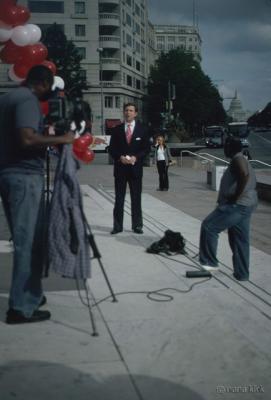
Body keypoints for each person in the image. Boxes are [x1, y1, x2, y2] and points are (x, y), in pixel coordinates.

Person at [0, 65, 74, 324]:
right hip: (24, 177)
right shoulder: (28, 100)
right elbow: (27, 139)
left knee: (29, 241)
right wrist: (61, 139)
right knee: (28, 244)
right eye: (49, 87)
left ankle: (31, 294)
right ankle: (19, 307)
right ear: (41, 83)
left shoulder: (8, 98)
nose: (48, 94)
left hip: (9, 175)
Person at [199, 137, 258, 281]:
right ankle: (242, 273)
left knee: (209, 227)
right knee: (239, 239)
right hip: (246, 205)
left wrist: (235, 197)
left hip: (237, 205)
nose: (224, 148)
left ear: (231, 148)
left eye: (226, 146)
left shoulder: (238, 159)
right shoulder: (241, 158)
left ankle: (209, 264)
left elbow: (244, 174)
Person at [108, 102, 150, 234]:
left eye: (131, 110)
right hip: (120, 169)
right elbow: (111, 148)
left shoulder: (142, 130)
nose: (128, 113)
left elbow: (146, 149)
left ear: (135, 113)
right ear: (123, 112)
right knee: (119, 199)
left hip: (135, 170)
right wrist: (119, 157)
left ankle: (137, 225)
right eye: (126, 110)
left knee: (136, 198)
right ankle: (117, 226)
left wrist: (136, 158)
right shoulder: (117, 129)